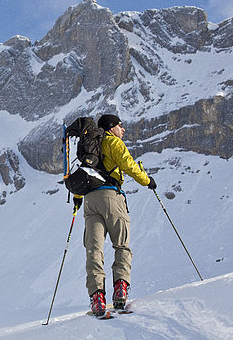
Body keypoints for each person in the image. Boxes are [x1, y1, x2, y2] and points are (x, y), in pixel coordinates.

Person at [76, 114, 157, 316]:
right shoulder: (113, 143)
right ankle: (120, 290)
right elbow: (129, 166)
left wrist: (77, 197)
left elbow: (85, 173)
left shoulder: (89, 145)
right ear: (111, 128)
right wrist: (147, 181)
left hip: (89, 201)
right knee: (121, 244)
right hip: (111, 198)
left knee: (94, 250)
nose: (123, 130)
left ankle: (97, 297)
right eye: (121, 126)